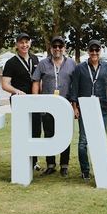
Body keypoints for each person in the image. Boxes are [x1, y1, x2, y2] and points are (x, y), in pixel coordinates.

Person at [31, 36, 76, 176]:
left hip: (65, 105)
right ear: (50, 48)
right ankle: (50, 164)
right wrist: (36, 101)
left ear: (64, 48)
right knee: (49, 134)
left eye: (60, 46)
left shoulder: (72, 64)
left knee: (65, 135)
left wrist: (75, 106)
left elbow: (75, 85)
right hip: (48, 106)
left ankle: (64, 165)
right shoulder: (43, 64)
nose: (57, 49)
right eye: (55, 46)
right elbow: (36, 82)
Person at [68, 39, 107, 180]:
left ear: (100, 51)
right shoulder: (80, 68)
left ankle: (100, 169)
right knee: (83, 141)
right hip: (84, 107)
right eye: (91, 50)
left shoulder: (106, 67)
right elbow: (74, 88)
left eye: (96, 50)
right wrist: (74, 107)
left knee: (100, 140)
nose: (94, 52)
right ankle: (85, 170)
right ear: (88, 51)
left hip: (102, 108)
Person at [2, 33, 41, 170]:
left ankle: (34, 161)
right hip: (20, 102)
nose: (24, 45)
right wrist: (16, 91)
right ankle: (21, 160)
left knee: (35, 130)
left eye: (26, 42)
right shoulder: (11, 62)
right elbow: (5, 84)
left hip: (35, 100)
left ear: (30, 43)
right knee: (22, 131)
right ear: (17, 45)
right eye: (21, 43)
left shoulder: (35, 59)